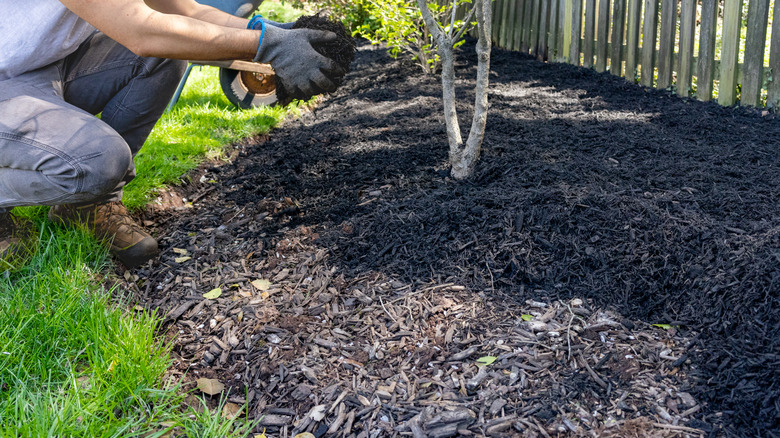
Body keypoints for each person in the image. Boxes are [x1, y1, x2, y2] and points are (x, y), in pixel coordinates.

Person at [0, 0, 344, 269]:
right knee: (97, 161)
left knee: (169, 53)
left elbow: (187, 12)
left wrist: (270, 31)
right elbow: (143, 31)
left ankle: (84, 206)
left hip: (41, 66)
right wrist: (265, 46)